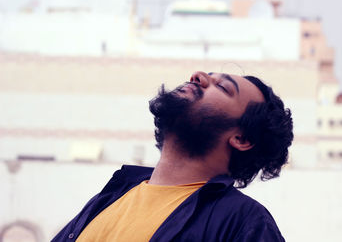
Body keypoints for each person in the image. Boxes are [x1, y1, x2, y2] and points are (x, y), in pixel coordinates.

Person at [52, 71, 293, 242]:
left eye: (222, 87)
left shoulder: (243, 221)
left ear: (241, 139)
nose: (198, 76)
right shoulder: (112, 196)